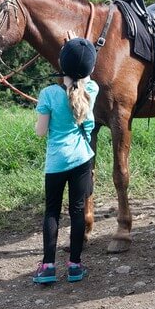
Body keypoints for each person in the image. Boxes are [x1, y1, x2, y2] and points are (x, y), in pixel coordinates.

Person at [32, 37, 99, 284]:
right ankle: (75, 266)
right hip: (82, 159)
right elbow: (87, 75)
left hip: (56, 163)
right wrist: (78, 50)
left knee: (52, 212)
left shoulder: (48, 93)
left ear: (61, 63)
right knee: (77, 211)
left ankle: (48, 266)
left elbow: (40, 132)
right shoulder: (91, 90)